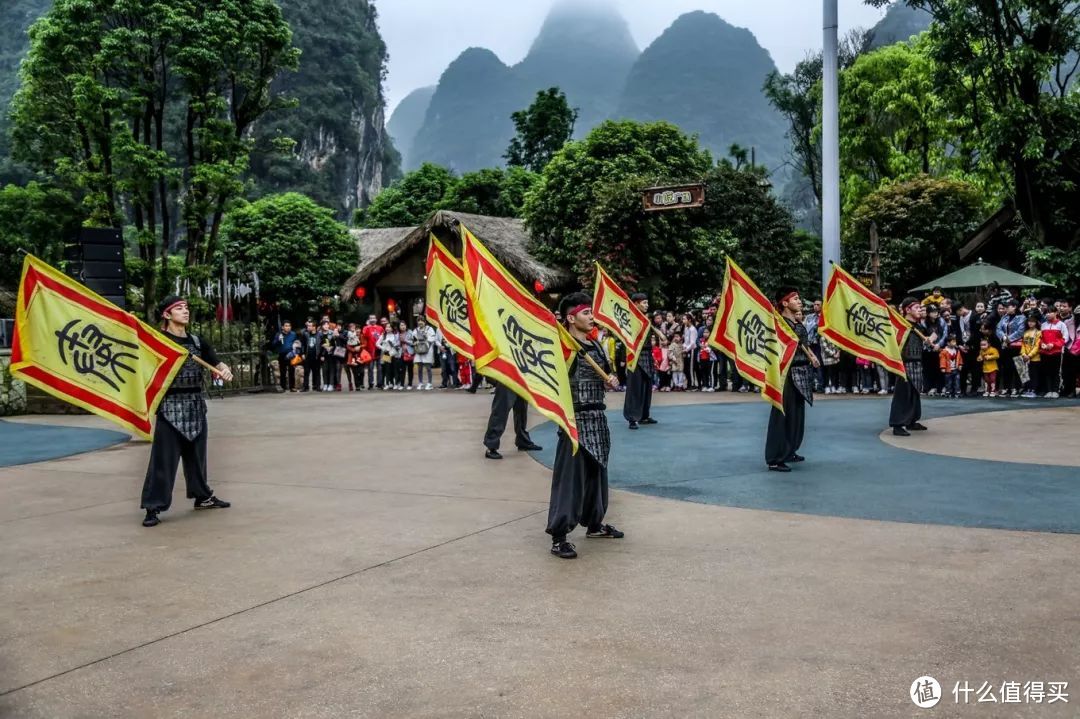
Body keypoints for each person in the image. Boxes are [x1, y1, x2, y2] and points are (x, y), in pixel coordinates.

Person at [140, 296, 234, 527]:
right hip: (169, 405)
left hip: (195, 404)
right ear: (166, 314)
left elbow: (216, 362)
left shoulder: (197, 341)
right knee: (163, 461)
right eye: (179, 308)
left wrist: (224, 369)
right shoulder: (158, 341)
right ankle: (153, 506)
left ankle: (202, 496)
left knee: (197, 457)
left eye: (186, 308)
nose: (185, 311)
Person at [547, 292, 623, 559]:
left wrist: (609, 380)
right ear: (570, 318)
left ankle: (594, 524)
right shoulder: (562, 346)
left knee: (596, 476)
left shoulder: (597, 347)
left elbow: (603, 376)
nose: (592, 317)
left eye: (591, 312)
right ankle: (559, 536)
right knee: (571, 480)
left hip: (597, 417)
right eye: (585, 313)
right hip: (574, 420)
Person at [765, 288, 818, 472]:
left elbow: (803, 345)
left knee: (796, 415)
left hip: (802, 372)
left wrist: (812, 356)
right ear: (785, 303)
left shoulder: (797, 324)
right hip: (786, 374)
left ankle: (789, 450)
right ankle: (775, 457)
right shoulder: (779, 325)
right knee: (782, 415)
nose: (800, 301)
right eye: (795, 299)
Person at [890, 299, 935, 436]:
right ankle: (897, 424)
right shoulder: (901, 325)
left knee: (915, 393)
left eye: (920, 307)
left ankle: (911, 421)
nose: (919, 310)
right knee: (903, 394)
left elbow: (933, 332)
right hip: (904, 362)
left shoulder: (919, 326)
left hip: (917, 361)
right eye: (916, 307)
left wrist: (930, 338)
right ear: (907, 310)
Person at [623, 292, 657, 429]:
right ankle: (632, 418)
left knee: (647, 387)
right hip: (635, 355)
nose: (647, 305)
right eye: (644, 303)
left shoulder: (645, 319)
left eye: (647, 303)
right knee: (635, 388)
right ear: (636, 304)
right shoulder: (629, 319)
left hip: (647, 355)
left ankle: (644, 415)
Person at [483, 383, 542, 460]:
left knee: (521, 410)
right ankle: (491, 445)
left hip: (521, 376)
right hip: (507, 375)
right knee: (501, 409)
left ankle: (522, 440)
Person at [996, 299, 1026, 397]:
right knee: (1007, 367)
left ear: (1014, 307)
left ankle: (1018, 388)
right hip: (1005, 345)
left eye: (1008, 306)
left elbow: (1020, 331)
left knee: (1019, 367)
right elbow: (998, 328)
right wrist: (1003, 337)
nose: (1006, 309)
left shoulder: (1022, 317)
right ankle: (1007, 387)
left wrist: (1009, 338)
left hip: (1017, 345)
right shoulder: (1005, 317)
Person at [1039, 308, 1067, 398]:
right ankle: (1048, 390)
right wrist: (1042, 344)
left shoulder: (1061, 324)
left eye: (1050, 312)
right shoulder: (1043, 325)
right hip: (1045, 352)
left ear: (1056, 313)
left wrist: (1053, 344)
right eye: (1047, 312)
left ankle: (1055, 390)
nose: (1048, 314)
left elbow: (1065, 338)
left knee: (1056, 371)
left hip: (1057, 352)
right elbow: (1040, 338)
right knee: (1046, 371)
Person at [410, 317, 437, 390]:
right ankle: (420, 383)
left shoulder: (429, 329)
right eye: (419, 321)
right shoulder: (415, 330)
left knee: (428, 368)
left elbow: (433, 338)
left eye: (422, 320)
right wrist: (415, 342)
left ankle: (430, 383)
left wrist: (426, 338)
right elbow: (412, 339)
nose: (420, 322)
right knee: (419, 368)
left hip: (427, 350)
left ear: (425, 322)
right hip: (419, 350)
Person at [1020, 314, 1042, 398]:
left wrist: (1029, 355)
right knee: (1025, 374)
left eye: (1032, 322)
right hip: (1025, 357)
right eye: (1029, 321)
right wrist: (1024, 354)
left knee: (1034, 374)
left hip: (1035, 358)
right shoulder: (1026, 332)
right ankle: (1027, 389)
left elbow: (1037, 346)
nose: (1030, 323)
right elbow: (1023, 345)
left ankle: (1033, 390)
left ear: (1036, 323)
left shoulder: (1038, 332)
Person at [272, 320, 297, 392]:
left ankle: (292, 386)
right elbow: (273, 344)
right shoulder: (279, 334)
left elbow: (296, 342)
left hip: (291, 354)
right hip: (282, 354)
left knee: (292, 370)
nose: (288, 327)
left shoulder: (293, 334)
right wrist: (278, 340)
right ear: (282, 327)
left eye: (289, 326)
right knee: (283, 371)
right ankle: (283, 386)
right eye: (286, 326)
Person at [361, 315, 384, 389]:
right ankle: (371, 383)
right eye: (371, 318)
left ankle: (380, 383)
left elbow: (383, 337)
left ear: (376, 319)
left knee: (379, 368)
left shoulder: (380, 328)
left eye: (374, 318)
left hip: (379, 350)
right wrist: (368, 326)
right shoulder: (366, 328)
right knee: (370, 368)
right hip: (370, 351)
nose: (372, 319)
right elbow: (364, 335)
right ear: (369, 320)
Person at [300, 319, 321, 392]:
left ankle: (317, 386)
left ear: (314, 327)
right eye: (308, 326)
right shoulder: (305, 334)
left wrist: (321, 355)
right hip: (307, 356)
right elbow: (302, 345)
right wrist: (302, 353)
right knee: (306, 372)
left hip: (316, 356)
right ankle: (305, 387)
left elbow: (322, 345)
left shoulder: (319, 335)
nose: (308, 327)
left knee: (317, 372)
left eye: (310, 326)